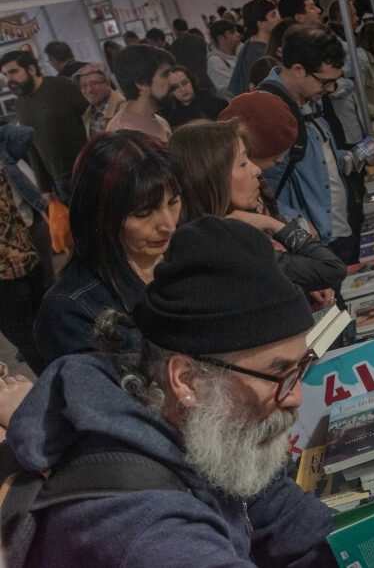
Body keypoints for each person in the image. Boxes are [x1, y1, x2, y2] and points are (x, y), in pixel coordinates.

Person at [7, 216, 337, 566]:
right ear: (187, 381)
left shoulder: (210, 428)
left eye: (301, 366)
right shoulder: (144, 529)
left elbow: (298, 526)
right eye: (280, 373)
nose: (296, 396)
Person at [34, 131, 181, 367]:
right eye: (143, 213)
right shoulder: (70, 312)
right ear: (99, 216)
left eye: (173, 202)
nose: (169, 226)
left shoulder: (191, 255)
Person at [169, 116, 345, 300]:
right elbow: (332, 268)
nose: (256, 170)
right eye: (243, 163)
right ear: (210, 178)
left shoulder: (223, 231)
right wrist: (274, 225)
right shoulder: (229, 246)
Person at [258, 25, 355, 255]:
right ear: (299, 69)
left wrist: (353, 157)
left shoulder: (309, 98)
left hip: (335, 229)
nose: (330, 89)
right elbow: (262, 189)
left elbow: (320, 159)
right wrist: (295, 226)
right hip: (310, 245)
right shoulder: (267, 113)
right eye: (325, 82)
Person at [0, 50, 87, 255]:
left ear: (31, 69)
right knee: (81, 237)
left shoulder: (61, 87)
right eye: (5, 75)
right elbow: (32, 148)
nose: (9, 80)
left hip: (86, 168)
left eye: (13, 72)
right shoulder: (21, 104)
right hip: (59, 182)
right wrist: (44, 188)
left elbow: (91, 121)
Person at [0, 125, 48, 374]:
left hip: (11, 270)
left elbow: (23, 133)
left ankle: (57, 380)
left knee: (27, 335)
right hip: (24, 259)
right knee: (38, 327)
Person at [108, 45, 174, 142]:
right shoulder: (122, 135)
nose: (173, 80)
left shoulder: (160, 121)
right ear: (142, 83)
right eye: (165, 74)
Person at [228, 0, 281, 96]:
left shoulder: (251, 44)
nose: (279, 18)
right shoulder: (258, 54)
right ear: (260, 23)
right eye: (273, 15)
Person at [74, 62, 125, 139]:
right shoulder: (88, 113)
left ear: (107, 83)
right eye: (83, 86)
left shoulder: (123, 108)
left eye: (94, 83)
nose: (89, 90)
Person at [169, 18, 214, 94]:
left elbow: (176, 65)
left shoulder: (174, 46)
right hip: (205, 78)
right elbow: (208, 57)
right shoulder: (199, 39)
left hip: (189, 81)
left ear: (175, 29)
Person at [207, 19, 241, 99]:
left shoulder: (240, 48)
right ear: (221, 38)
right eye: (232, 32)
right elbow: (231, 90)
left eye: (237, 31)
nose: (238, 34)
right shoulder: (215, 61)